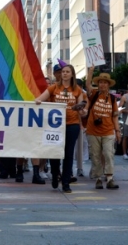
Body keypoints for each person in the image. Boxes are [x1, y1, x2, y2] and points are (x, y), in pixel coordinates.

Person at [35, 64, 85, 193]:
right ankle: (55, 175)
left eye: (68, 72)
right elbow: (39, 99)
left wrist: (82, 111)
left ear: (72, 74)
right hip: (55, 126)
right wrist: (39, 102)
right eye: (63, 71)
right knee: (55, 152)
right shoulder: (54, 87)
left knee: (68, 154)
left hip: (72, 125)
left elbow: (82, 108)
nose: (65, 74)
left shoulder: (77, 89)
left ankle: (66, 182)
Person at [86, 67, 120, 190]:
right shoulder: (94, 94)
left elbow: (115, 116)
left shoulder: (112, 98)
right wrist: (90, 71)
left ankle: (110, 179)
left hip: (108, 131)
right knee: (95, 155)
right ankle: (98, 179)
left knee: (108, 154)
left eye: (105, 82)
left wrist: (117, 131)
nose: (102, 84)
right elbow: (88, 85)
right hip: (92, 131)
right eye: (100, 82)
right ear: (98, 83)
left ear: (108, 85)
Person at [119, 91, 128, 159]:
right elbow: (120, 109)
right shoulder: (124, 96)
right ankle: (124, 153)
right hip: (127, 118)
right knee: (126, 136)